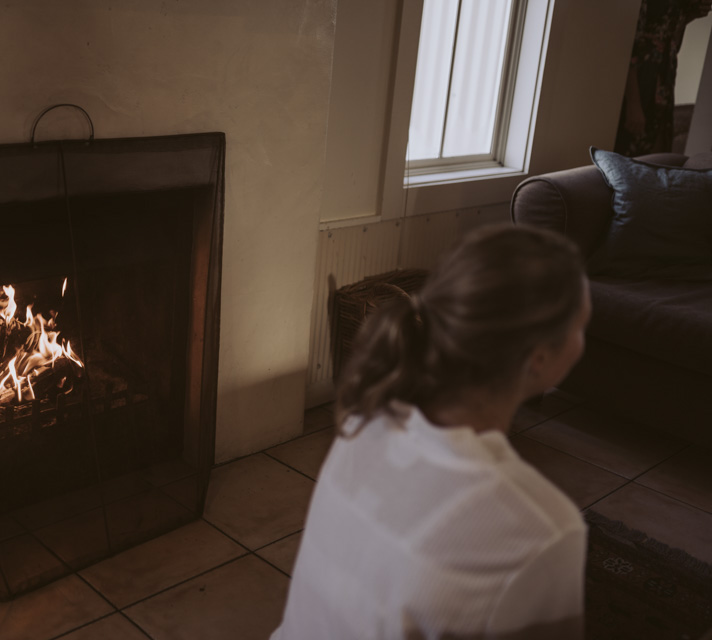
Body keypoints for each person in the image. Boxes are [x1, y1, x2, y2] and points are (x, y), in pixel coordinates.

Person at [271, 225, 592, 640]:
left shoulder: (365, 421)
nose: (584, 343)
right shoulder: (541, 529)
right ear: (540, 358)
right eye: (580, 328)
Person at [615, 0, 712, 156]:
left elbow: (670, 36)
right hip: (639, 80)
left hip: (664, 77)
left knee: (656, 153)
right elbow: (628, 45)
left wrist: (690, 15)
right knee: (629, 147)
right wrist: (633, 102)